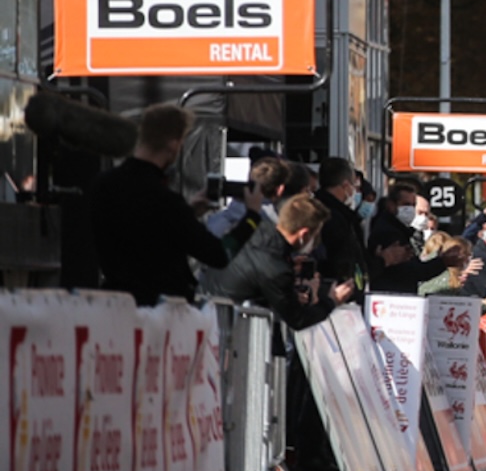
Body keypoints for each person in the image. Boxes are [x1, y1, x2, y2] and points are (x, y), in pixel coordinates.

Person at [90, 104, 229, 306]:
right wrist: (251, 216)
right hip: (160, 315)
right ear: (173, 144)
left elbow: (144, 228)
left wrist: (187, 212)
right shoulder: (166, 201)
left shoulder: (103, 185)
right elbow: (217, 255)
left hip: (115, 306)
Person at [204, 193, 355, 330]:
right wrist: (332, 300)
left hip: (206, 304)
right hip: (221, 327)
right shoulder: (277, 269)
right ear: (304, 234)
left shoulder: (259, 231)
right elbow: (298, 319)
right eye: (316, 235)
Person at [314, 156, 370, 288]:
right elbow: (344, 259)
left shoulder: (318, 208)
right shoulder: (335, 218)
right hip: (337, 290)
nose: (355, 192)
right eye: (354, 186)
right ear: (345, 185)